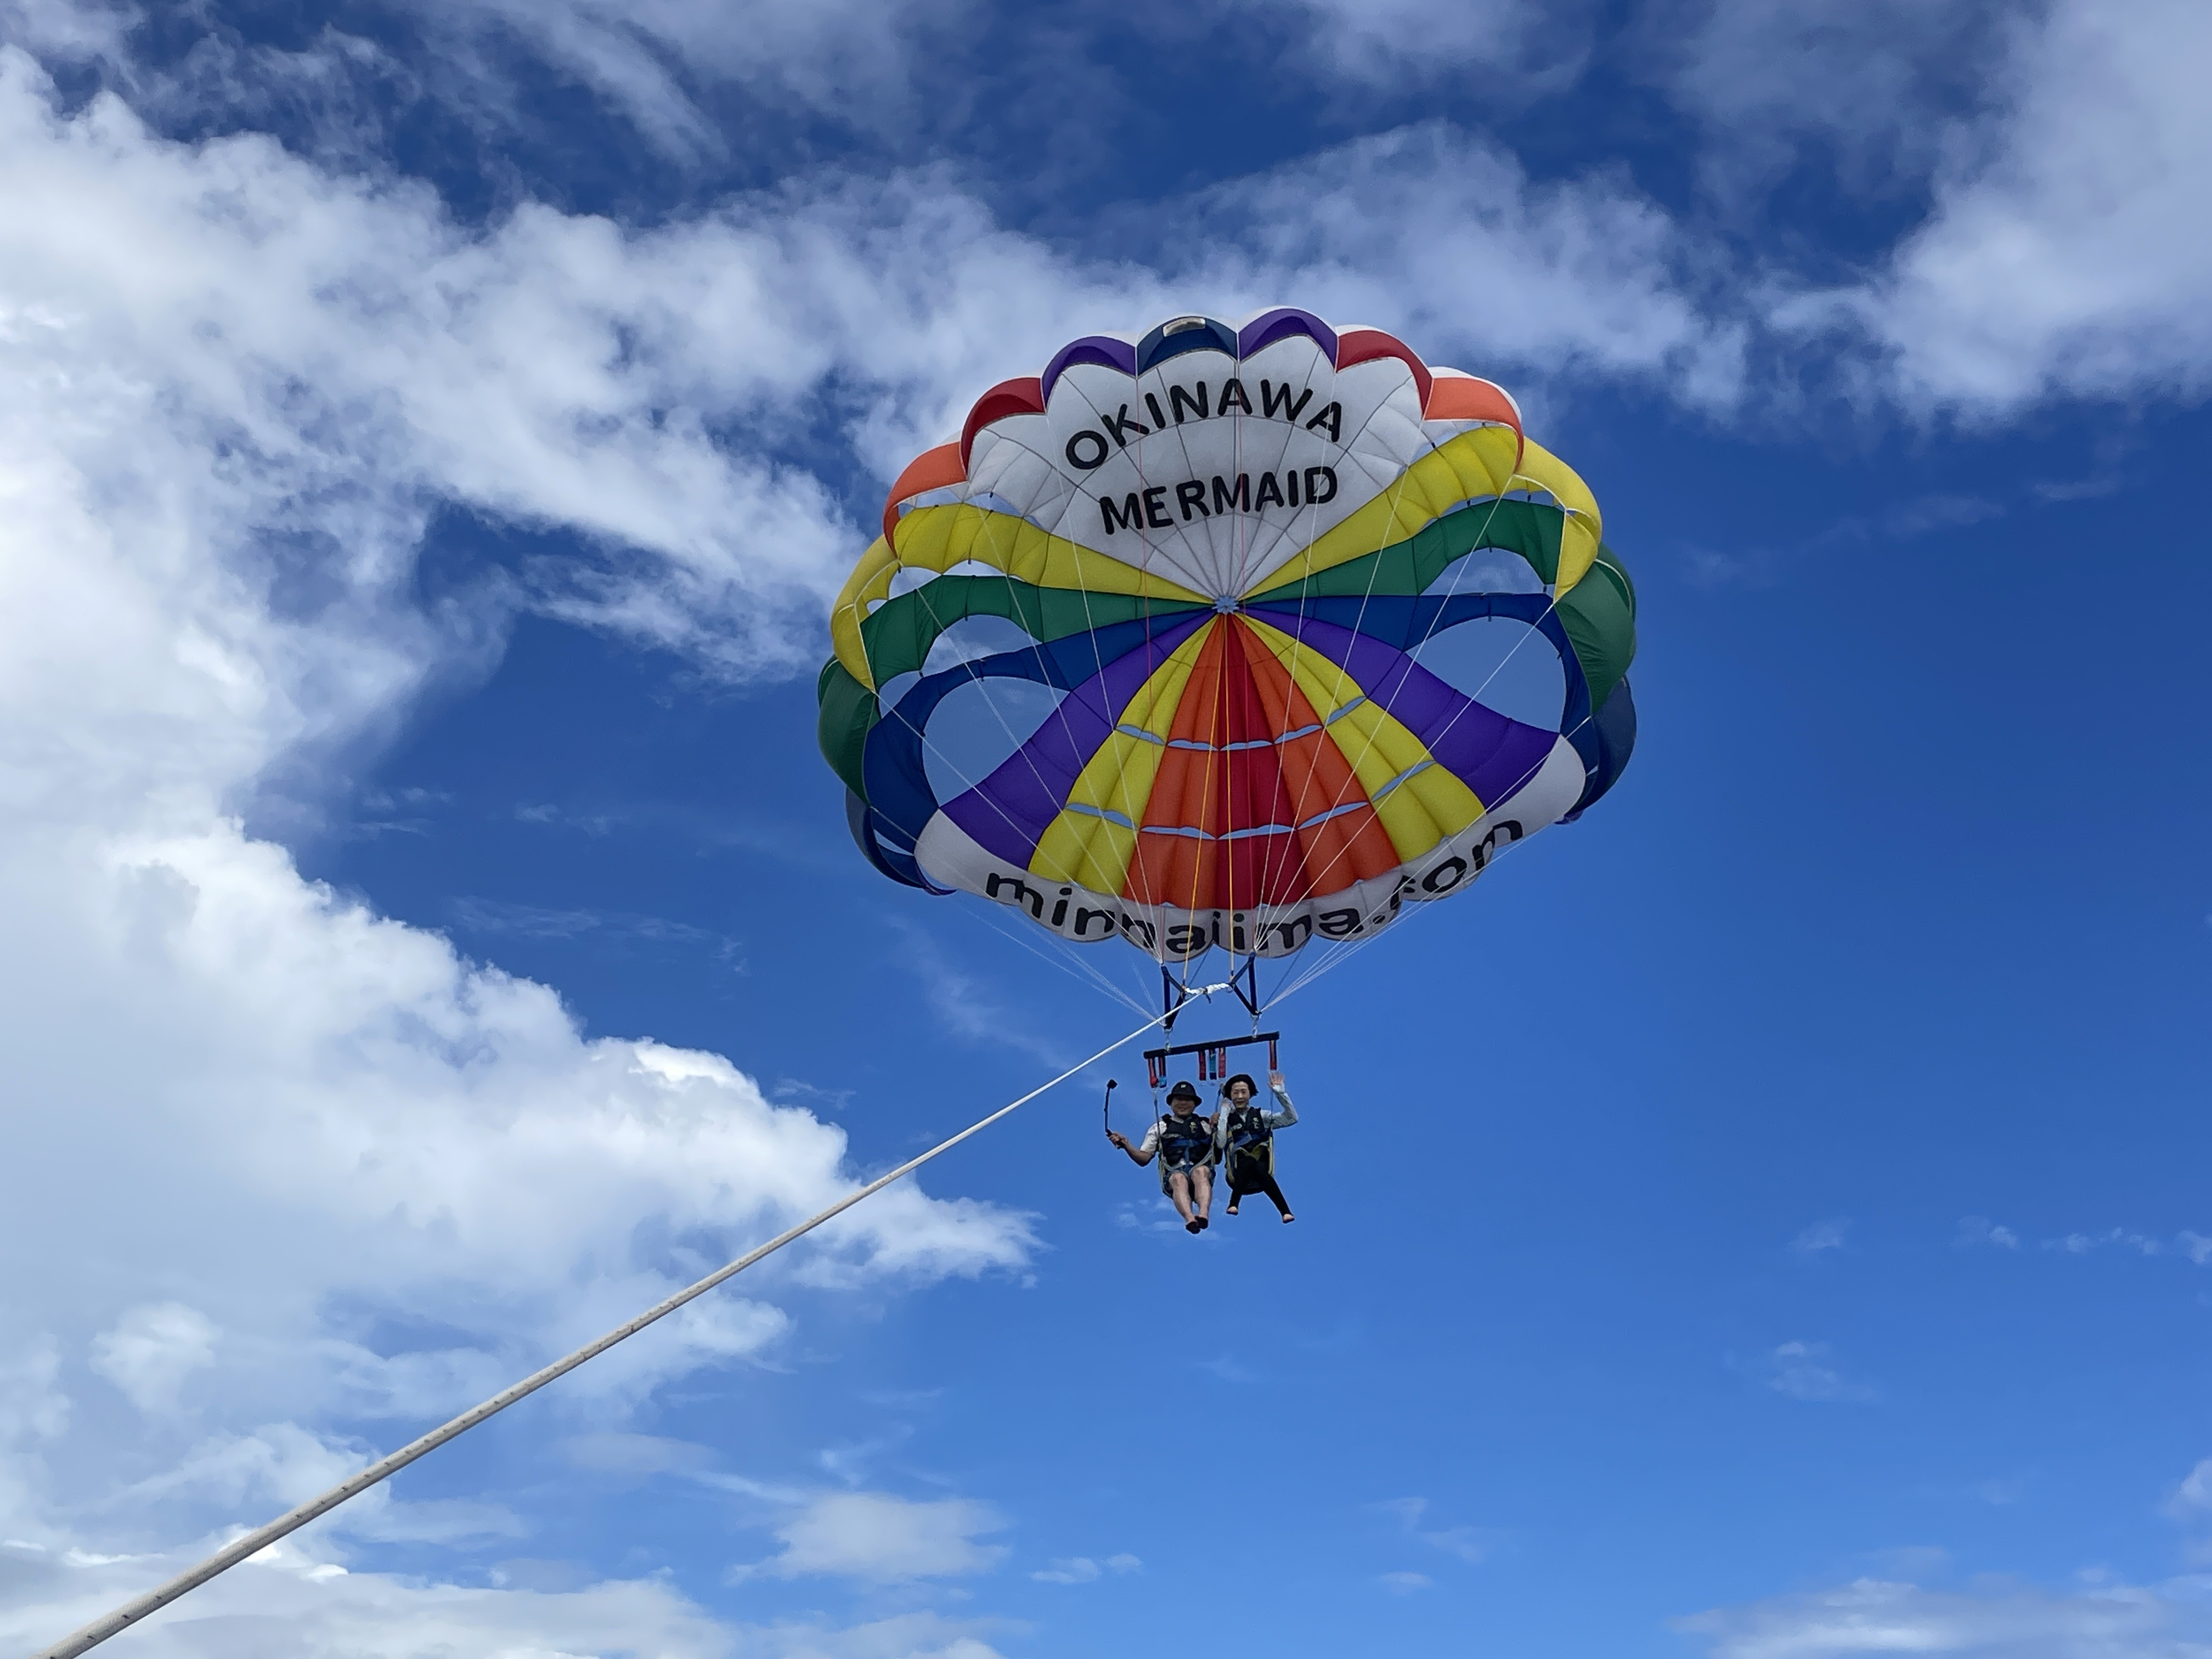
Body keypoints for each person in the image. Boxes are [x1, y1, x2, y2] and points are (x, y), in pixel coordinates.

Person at [1107, 1079, 1217, 1233]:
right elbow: (1144, 1158)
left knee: (1201, 1172)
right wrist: (1126, 1144)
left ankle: (1203, 1214)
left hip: (1200, 1169)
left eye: (1187, 1100)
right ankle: (1189, 1218)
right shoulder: (1160, 1127)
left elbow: (1220, 1146)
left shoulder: (1205, 1126)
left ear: (1194, 1104)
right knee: (1178, 1179)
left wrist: (1221, 1119)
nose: (1183, 1103)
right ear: (1171, 1104)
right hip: (1174, 1172)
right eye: (1178, 1100)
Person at [1214, 1070, 1297, 1223]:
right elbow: (1220, 1143)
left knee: (1256, 1165)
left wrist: (1281, 1094)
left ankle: (1284, 1212)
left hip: (1262, 1165)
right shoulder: (1226, 1119)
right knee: (1248, 1162)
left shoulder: (1262, 1116)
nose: (1239, 1097)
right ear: (1230, 1096)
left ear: (1250, 1094)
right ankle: (1235, 1203)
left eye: (1243, 1092)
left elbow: (1291, 1119)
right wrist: (1224, 1114)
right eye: (1235, 1093)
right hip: (1238, 1168)